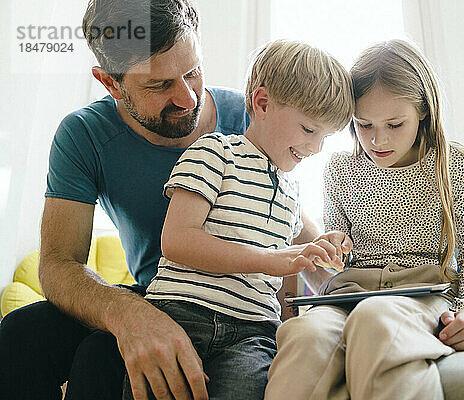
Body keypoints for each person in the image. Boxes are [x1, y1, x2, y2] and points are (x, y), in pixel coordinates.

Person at [0, 1, 332, 399]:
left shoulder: (256, 119)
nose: (188, 98)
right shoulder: (84, 135)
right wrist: (126, 313)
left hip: (242, 315)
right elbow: (57, 265)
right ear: (111, 83)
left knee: (100, 357)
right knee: (21, 334)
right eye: (159, 85)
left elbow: (300, 239)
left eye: (193, 72)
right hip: (161, 295)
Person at [264, 39, 464, 400]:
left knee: (375, 320)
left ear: (422, 111)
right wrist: (332, 246)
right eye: (363, 125)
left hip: (425, 296)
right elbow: (336, 251)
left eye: (394, 124)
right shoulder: (341, 170)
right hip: (348, 294)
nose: (377, 139)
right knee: (304, 335)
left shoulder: (454, 167)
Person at [121, 38, 354, 400]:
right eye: (309, 130)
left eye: (324, 137)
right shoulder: (215, 152)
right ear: (261, 104)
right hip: (183, 315)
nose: (315, 148)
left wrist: (319, 249)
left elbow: (287, 278)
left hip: (253, 333)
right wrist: (268, 259)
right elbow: (178, 240)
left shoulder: (292, 192)